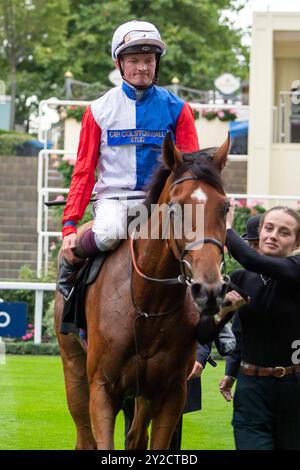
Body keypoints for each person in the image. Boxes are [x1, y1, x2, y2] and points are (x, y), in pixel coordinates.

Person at [57, 20, 199, 300]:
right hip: (115, 200)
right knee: (109, 234)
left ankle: (218, 328)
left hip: (162, 203)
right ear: (118, 64)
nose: (142, 68)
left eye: (149, 60)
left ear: (157, 63)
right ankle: (70, 265)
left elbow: (191, 169)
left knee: (198, 246)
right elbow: (84, 171)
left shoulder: (179, 109)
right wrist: (69, 225)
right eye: (134, 60)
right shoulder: (97, 111)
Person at [219, 205, 300, 450]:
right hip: (252, 390)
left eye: (284, 232)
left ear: (297, 244)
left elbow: (250, 258)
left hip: (293, 390)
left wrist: (226, 227)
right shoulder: (241, 279)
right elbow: (215, 332)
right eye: (269, 228)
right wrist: (225, 310)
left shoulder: (297, 269)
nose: (273, 235)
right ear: (260, 232)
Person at [219, 213, 262, 392]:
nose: (253, 250)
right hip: (251, 376)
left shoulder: (292, 271)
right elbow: (238, 331)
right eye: (250, 246)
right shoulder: (243, 279)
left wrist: (227, 227)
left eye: (256, 245)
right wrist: (231, 372)